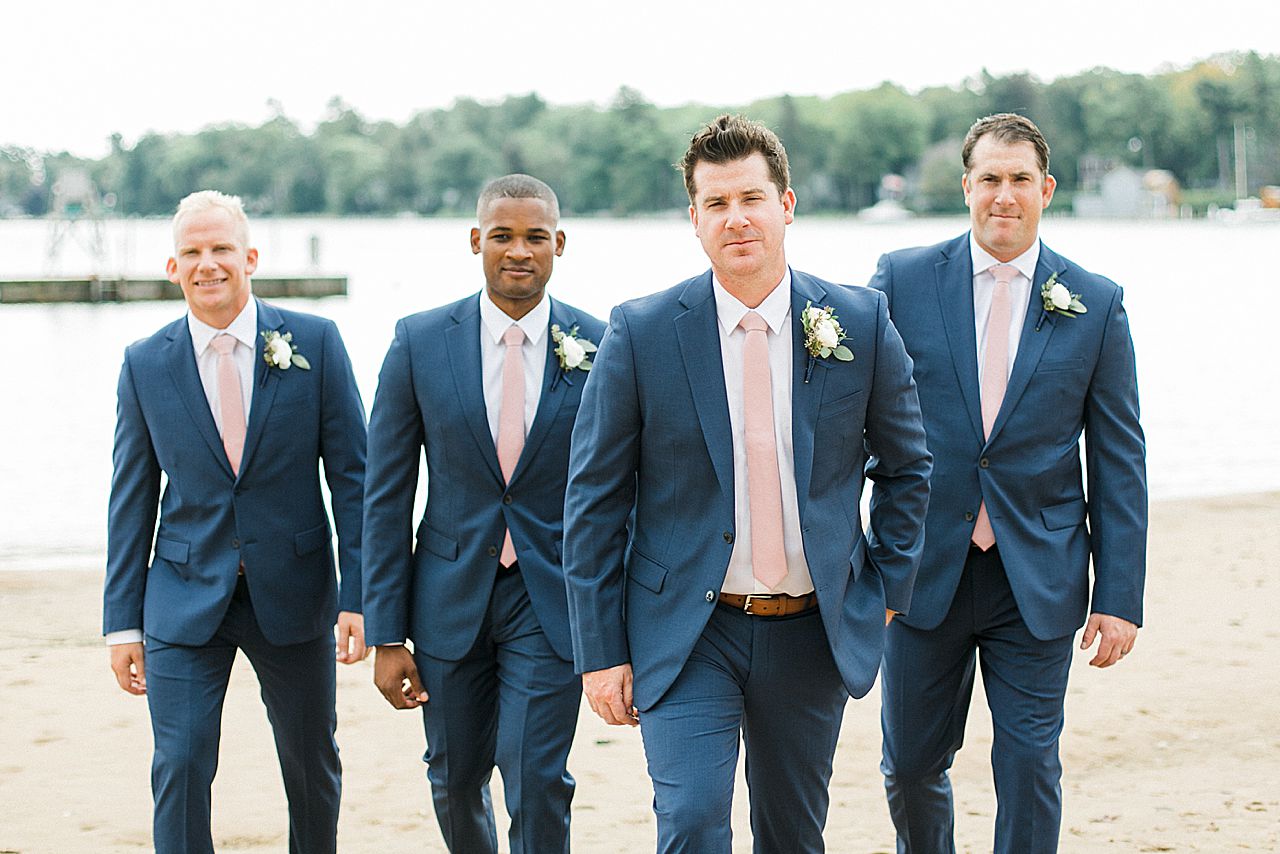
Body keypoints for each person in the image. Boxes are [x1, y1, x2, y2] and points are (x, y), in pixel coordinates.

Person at [562, 115, 932, 852]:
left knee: (793, 834)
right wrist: (599, 652)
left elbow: (908, 467)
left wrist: (887, 590)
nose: (737, 219)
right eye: (717, 203)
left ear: (786, 205)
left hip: (811, 631)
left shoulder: (859, 318)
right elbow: (593, 501)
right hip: (687, 631)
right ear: (693, 219)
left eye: (752, 199)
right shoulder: (640, 332)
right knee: (693, 821)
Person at [869, 112, 1147, 854]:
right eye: (989, 178)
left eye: (1020, 179)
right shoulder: (900, 279)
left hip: (1040, 574)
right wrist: (864, 560)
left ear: (1046, 189)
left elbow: (1119, 460)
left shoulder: (1096, 301)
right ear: (966, 186)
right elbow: (853, 423)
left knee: (1028, 759)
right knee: (912, 765)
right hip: (922, 572)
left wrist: (1118, 598)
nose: (1004, 195)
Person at [103, 190, 368, 854]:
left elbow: (355, 482)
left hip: (297, 591)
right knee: (181, 762)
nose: (208, 264)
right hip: (184, 594)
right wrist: (122, 622)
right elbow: (130, 498)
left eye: (221, 248)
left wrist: (362, 596)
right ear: (172, 267)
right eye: (191, 252)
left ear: (250, 257)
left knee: (311, 763)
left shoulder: (315, 343)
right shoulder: (144, 363)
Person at [361, 174, 606, 853]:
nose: (518, 250)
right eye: (502, 236)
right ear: (476, 241)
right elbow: (384, 496)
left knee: (535, 775)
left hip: (551, 599)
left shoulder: (603, 342)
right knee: (454, 775)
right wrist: (385, 634)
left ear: (559, 243)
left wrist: (616, 623)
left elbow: (623, 491)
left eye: (534, 237)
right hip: (445, 599)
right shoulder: (418, 341)